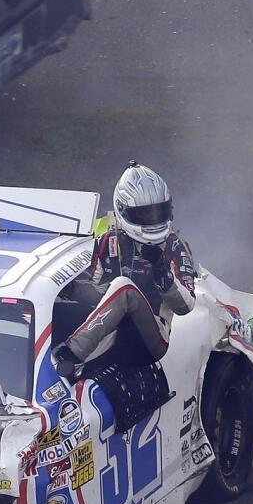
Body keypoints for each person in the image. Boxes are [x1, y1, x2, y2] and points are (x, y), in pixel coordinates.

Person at [52, 162, 197, 382]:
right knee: (65, 293)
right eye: (144, 214)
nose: (153, 219)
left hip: (152, 339)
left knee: (123, 287)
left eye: (159, 211)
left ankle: (71, 354)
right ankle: (59, 367)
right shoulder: (107, 241)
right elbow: (96, 293)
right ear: (123, 211)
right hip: (112, 333)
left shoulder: (175, 246)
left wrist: (161, 270)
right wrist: (69, 289)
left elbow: (186, 307)